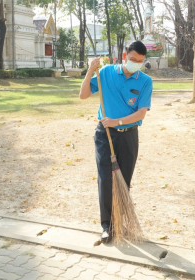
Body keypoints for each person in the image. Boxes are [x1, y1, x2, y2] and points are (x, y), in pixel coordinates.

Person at [79, 41, 153, 243]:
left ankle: (119, 222)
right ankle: (106, 226)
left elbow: (141, 113)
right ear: (124, 56)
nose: (136, 64)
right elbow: (83, 95)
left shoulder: (145, 81)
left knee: (123, 180)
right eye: (132, 60)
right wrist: (90, 71)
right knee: (105, 179)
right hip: (105, 135)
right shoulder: (106, 73)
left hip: (128, 135)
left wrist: (117, 121)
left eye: (140, 61)